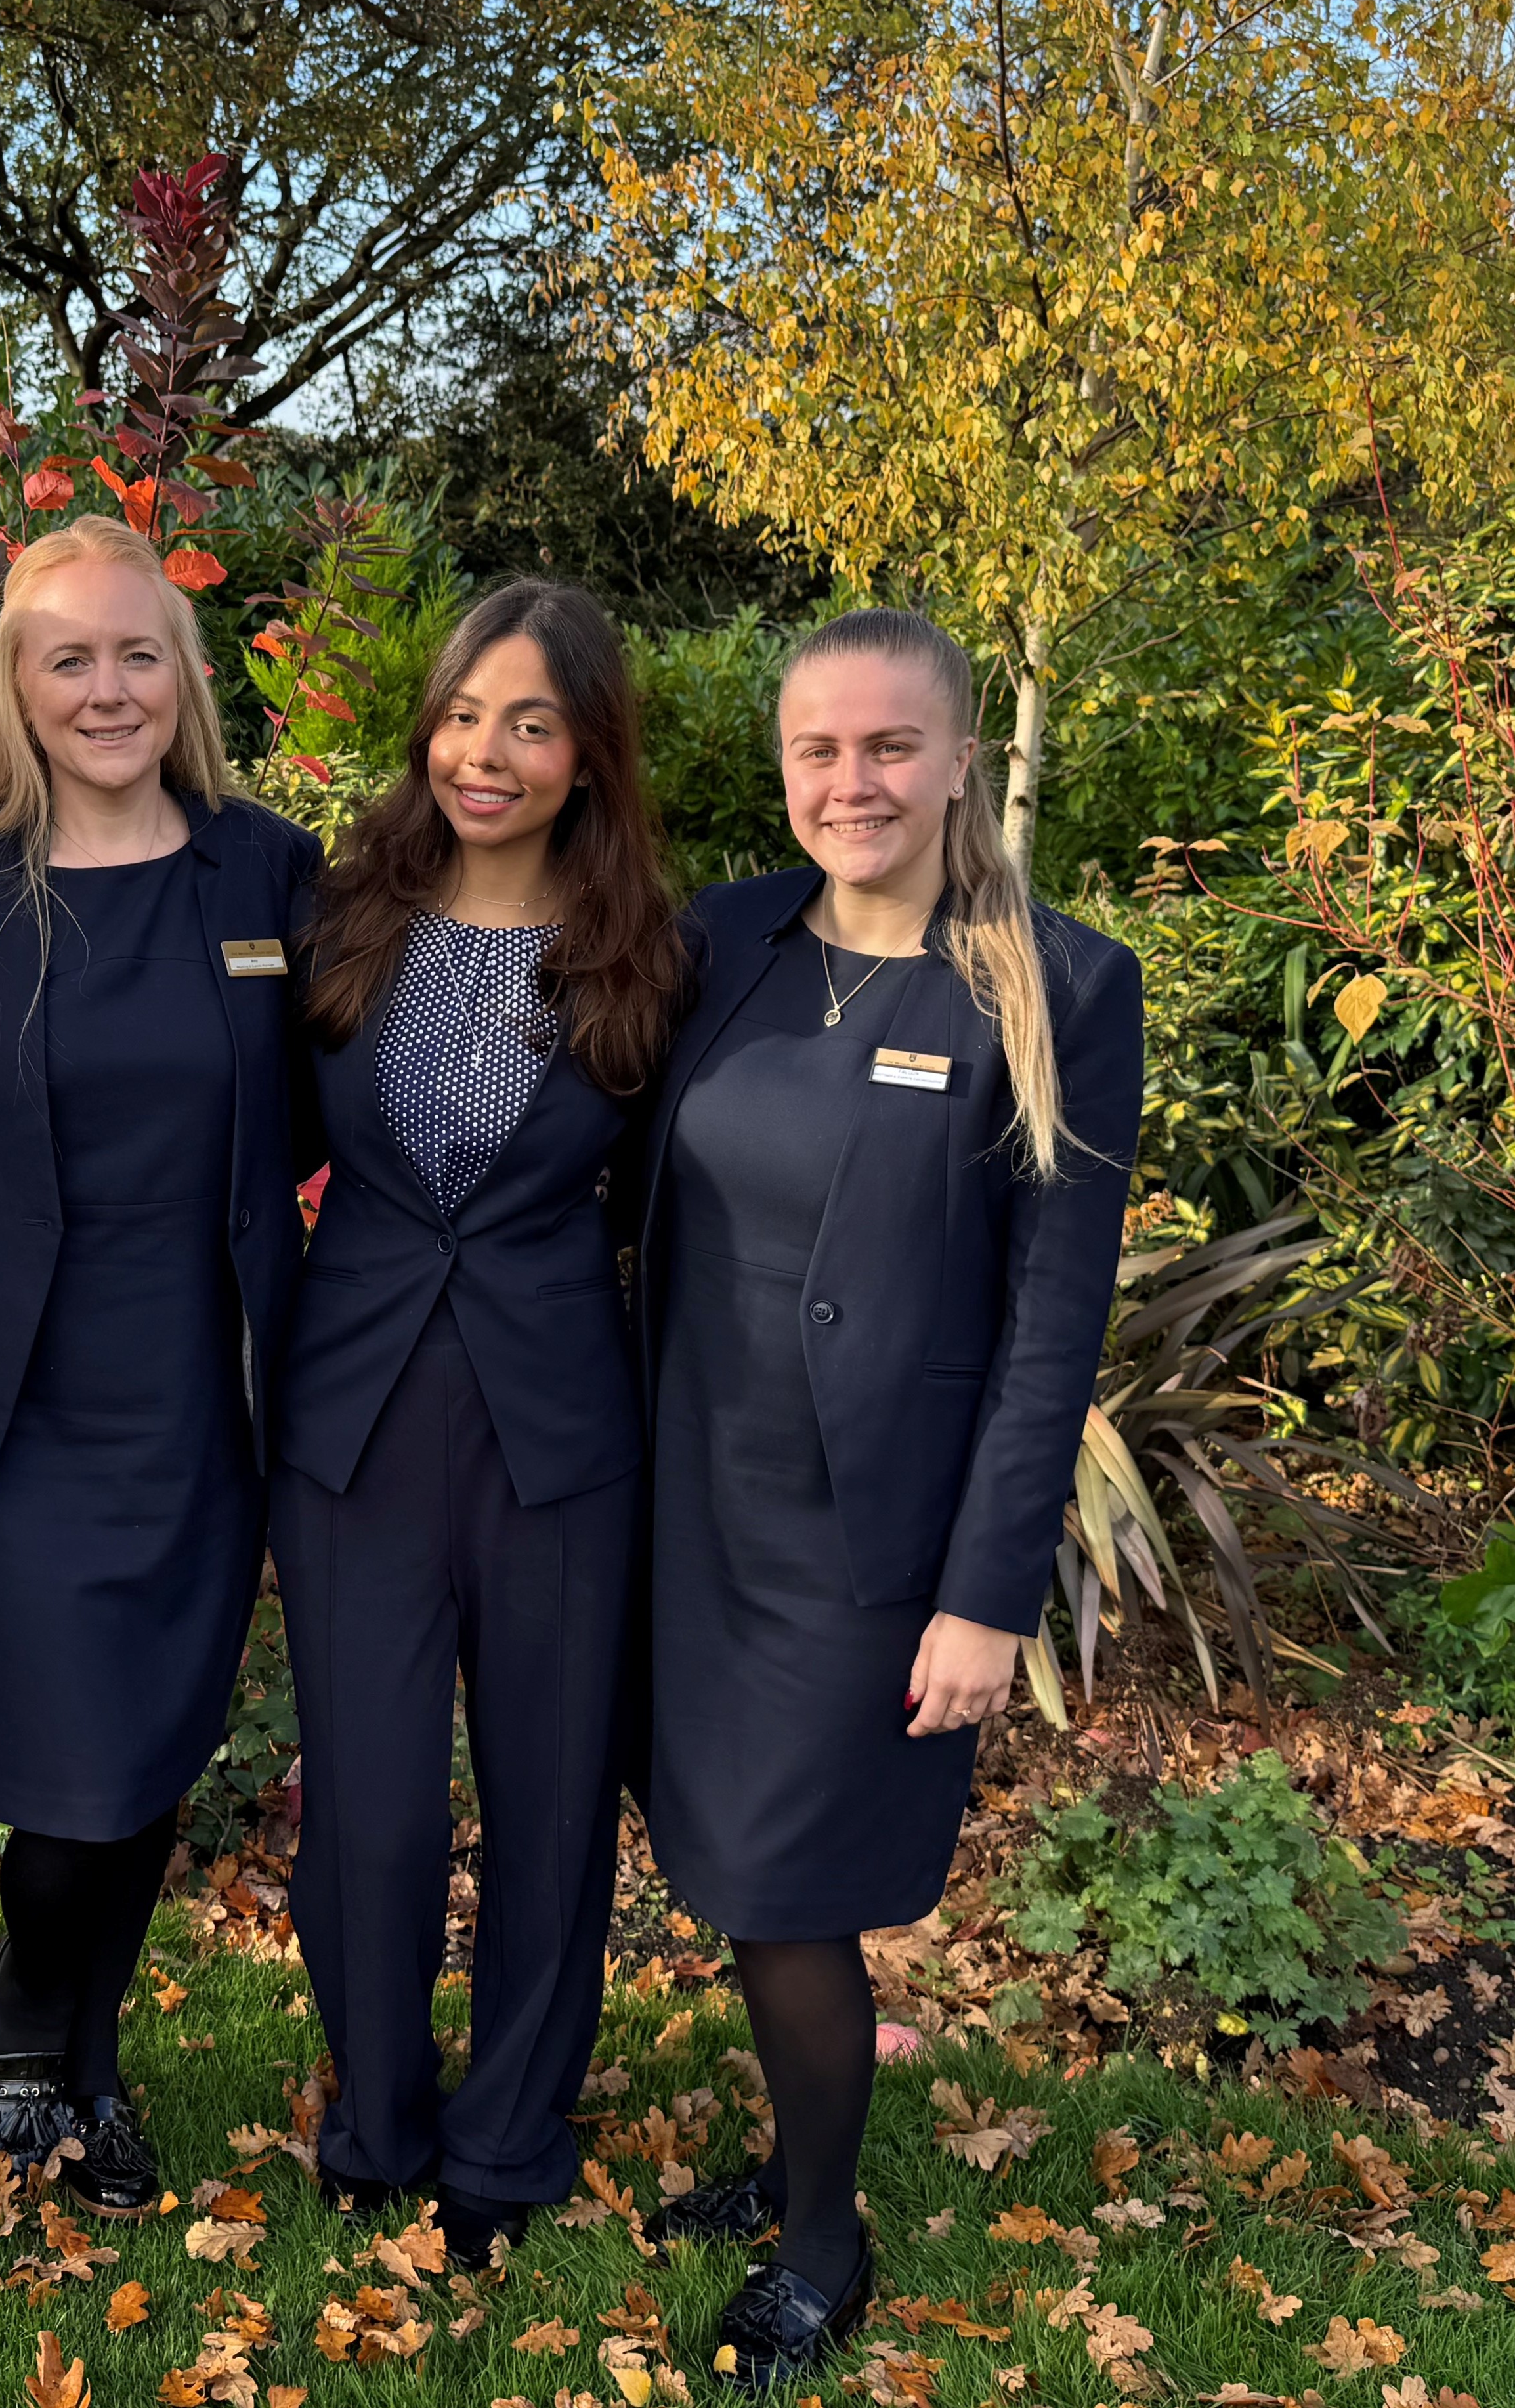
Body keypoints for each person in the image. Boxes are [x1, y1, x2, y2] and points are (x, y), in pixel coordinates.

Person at [635, 608, 1143, 2386]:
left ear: (958, 764)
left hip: (874, 1545)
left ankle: (825, 2244)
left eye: (886, 747)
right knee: (727, 1862)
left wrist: (986, 1593)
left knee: (788, 1893)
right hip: (691, 1508)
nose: (850, 783)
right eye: (816, 751)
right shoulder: (722, 944)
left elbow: (1048, 1325)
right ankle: (789, 2159)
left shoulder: (1056, 983)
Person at [0, 513, 320, 2220]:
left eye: (139, 652)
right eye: (67, 655)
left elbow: (361, 1073)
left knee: (142, 1756)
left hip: (197, 1397)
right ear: (15, 679)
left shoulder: (265, 871)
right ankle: (24, 2032)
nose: (107, 685)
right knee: (65, 1771)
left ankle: (81, 2049)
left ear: (183, 674)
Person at [272, 580, 687, 2264]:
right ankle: (375, 2112)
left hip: (560, 1436)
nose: (486, 753)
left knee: (549, 1802)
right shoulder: (336, 915)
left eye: (530, 721)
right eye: (463, 714)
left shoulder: (655, 949)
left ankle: (508, 2136)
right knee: (369, 1805)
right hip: (353, 1423)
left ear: (589, 752)